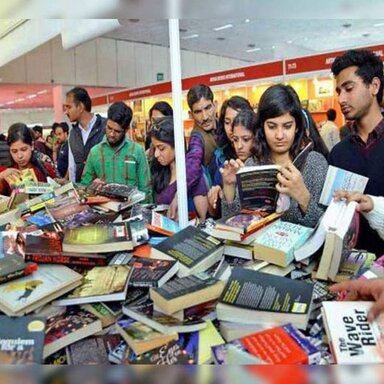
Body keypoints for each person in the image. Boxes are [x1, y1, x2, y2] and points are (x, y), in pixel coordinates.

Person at [221, 84, 328, 228]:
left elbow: (325, 228)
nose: (279, 135)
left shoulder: (314, 163)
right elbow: (235, 225)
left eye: (287, 126)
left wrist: (303, 197)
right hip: (258, 249)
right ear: (262, 127)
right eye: (272, 126)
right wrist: (229, 186)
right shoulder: (252, 164)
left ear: (297, 126)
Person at [329, 49, 384, 255]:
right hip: (348, 266)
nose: (341, 98)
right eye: (338, 91)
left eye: (349, 88)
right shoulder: (338, 153)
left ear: (374, 86)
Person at [78, 102, 152, 203]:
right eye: (109, 128)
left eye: (117, 131)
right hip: (104, 212)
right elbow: (83, 186)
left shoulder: (137, 151)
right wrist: (91, 188)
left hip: (131, 212)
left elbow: (145, 190)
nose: (111, 134)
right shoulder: (95, 152)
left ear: (126, 130)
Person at [168, 84, 218, 219]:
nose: (205, 116)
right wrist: (179, 195)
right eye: (198, 112)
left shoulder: (224, 124)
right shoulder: (197, 137)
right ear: (191, 114)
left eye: (208, 108)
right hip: (214, 201)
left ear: (215, 105)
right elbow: (192, 164)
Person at [150, 116, 208, 220]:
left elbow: (203, 219)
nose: (156, 154)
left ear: (176, 145)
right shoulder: (159, 170)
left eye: (161, 148)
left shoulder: (193, 174)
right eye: (155, 148)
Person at [208, 107, 256, 217]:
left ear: (256, 138)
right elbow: (227, 217)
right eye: (235, 140)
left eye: (246, 139)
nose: (239, 146)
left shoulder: (261, 164)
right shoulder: (228, 167)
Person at [0, 123, 57, 195]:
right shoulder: (7, 173)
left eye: (24, 149)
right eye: (14, 151)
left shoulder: (46, 168)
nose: (19, 156)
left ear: (32, 146)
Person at [64, 87, 106, 183]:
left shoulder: (105, 128)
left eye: (69, 107)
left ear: (80, 107)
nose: (66, 112)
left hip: (104, 191)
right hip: (82, 192)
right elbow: (72, 168)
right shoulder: (73, 134)